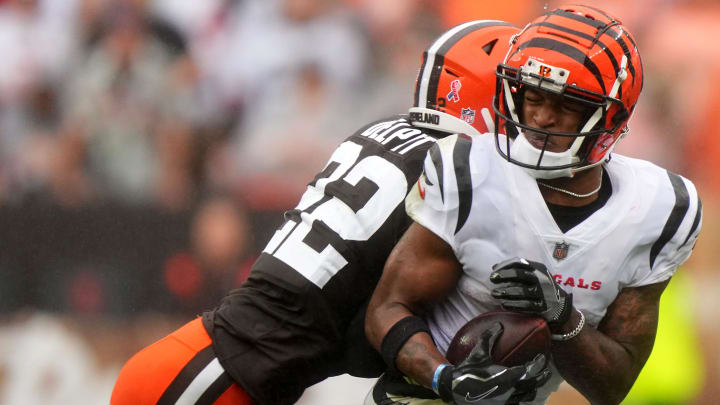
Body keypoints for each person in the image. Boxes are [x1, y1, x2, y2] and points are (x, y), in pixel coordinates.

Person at [110, 20, 527, 405]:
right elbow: (368, 340)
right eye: (524, 99)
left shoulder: (382, 130)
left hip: (202, 364)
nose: (533, 116)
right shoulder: (456, 171)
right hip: (216, 380)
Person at [364, 5, 703, 405]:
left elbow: (612, 387)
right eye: (533, 96)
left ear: (610, 115)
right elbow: (388, 308)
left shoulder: (659, 208)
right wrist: (445, 377)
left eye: (567, 104)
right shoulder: (470, 171)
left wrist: (562, 316)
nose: (542, 117)